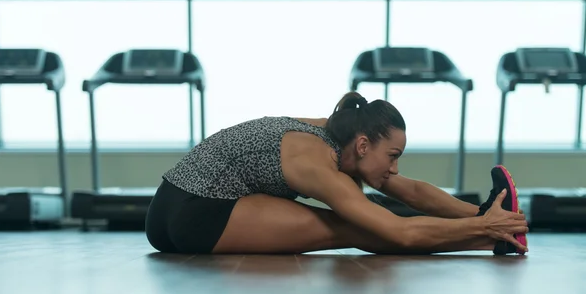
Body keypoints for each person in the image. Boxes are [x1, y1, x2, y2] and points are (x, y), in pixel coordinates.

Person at [145, 91, 529, 256]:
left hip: (164, 209)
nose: (394, 167)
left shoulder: (339, 137)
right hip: (200, 211)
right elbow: (397, 231)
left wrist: (481, 212)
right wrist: (486, 229)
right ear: (363, 146)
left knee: (371, 216)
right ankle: (490, 239)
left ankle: (492, 232)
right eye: (392, 155)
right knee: (357, 228)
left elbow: (408, 190)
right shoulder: (314, 159)